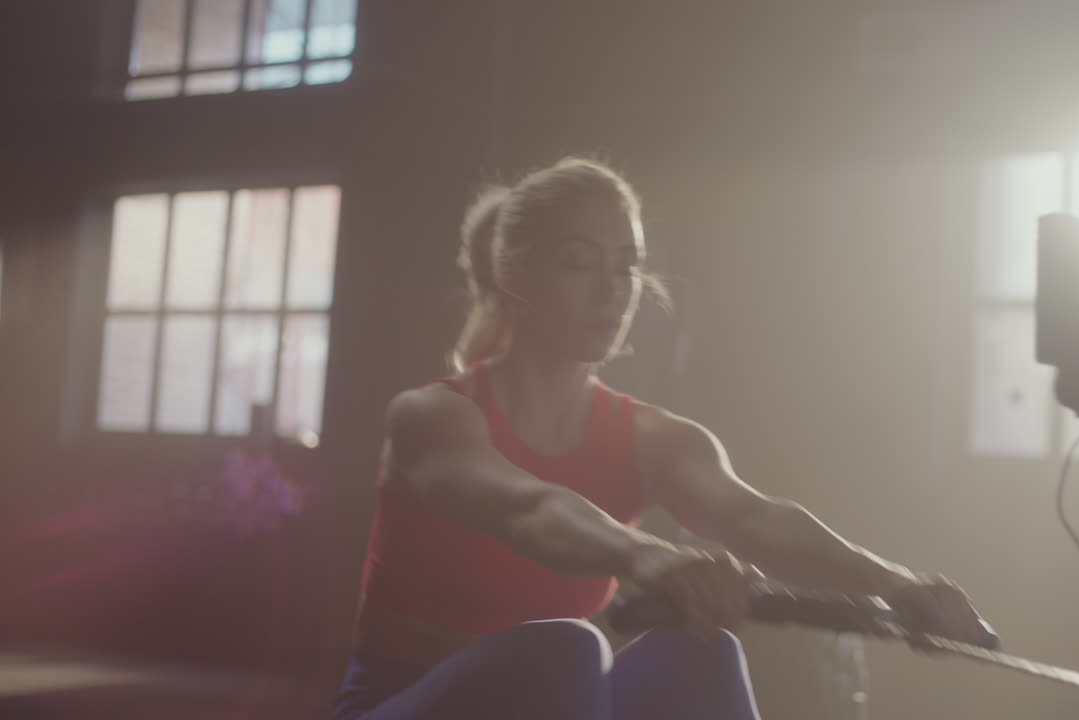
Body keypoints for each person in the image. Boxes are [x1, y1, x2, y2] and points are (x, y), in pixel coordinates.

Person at [334, 157, 993, 719]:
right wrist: (653, 559)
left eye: (627, 267)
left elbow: (755, 520)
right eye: (579, 265)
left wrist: (899, 585)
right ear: (515, 274)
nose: (611, 292)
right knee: (565, 648)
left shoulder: (653, 439)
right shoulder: (433, 418)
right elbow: (528, 510)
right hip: (398, 703)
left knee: (700, 651)